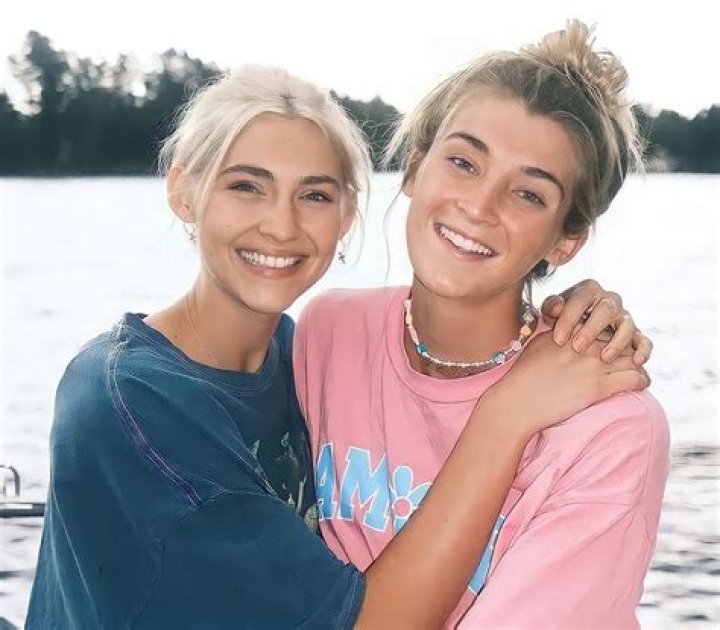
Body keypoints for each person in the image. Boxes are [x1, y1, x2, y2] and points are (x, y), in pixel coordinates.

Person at [27, 63, 651, 629]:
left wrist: (579, 313)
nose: (280, 225)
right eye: (246, 185)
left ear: (346, 215)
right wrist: (506, 415)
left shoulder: (304, 348)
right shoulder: (142, 396)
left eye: (315, 195)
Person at [294, 20, 670, 628]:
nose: (479, 205)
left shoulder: (610, 427)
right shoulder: (328, 334)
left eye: (529, 194)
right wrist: (505, 413)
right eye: (464, 162)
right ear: (414, 168)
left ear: (566, 241)